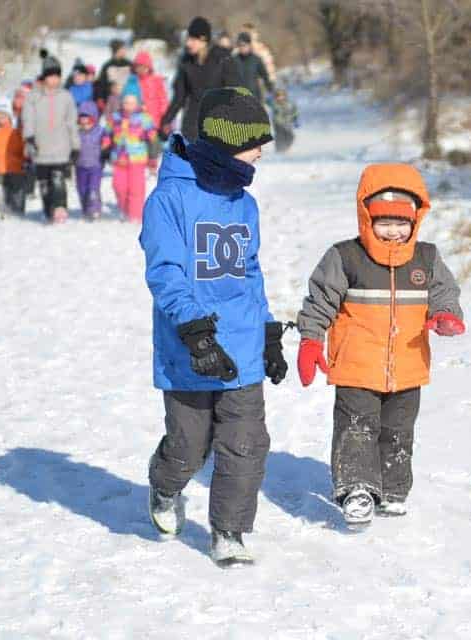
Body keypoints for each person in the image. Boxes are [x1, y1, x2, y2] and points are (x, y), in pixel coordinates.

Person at [140, 87, 285, 567]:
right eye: (253, 142)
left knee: (246, 442)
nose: (261, 151)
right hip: (189, 347)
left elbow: (250, 272)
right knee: (188, 447)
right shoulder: (170, 199)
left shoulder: (245, 204)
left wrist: (265, 330)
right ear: (226, 143)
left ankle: (230, 532)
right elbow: (166, 272)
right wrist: (194, 331)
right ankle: (165, 485)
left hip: (240, 344)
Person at [295, 165, 465, 529]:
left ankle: (393, 488)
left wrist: (447, 316)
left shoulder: (426, 258)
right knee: (356, 427)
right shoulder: (345, 257)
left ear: (416, 220)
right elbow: (319, 301)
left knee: (398, 431)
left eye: (401, 223)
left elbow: (444, 293)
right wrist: (311, 339)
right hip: (356, 365)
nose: (393, 231)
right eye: (383, 222)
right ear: (366, 217)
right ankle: (356, 489)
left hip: (408, 366)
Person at [160, 16, 241, 142]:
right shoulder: (186, 61)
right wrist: (166, 120)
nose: (188, 43)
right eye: (188, 38)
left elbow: (236, 92)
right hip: (192, 125)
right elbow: (179, 96)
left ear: (204, 40)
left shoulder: (223, 58)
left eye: (193, 39)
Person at [21, 57, 80, 224]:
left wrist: (75, 146)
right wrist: (29, 138)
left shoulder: (66, 97)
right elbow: (28, 118)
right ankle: (48, 210)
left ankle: (60, 208)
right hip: (41, 147)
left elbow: (71, 122)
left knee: (58, 178)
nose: (53, 80)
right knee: (44, 182)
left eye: (57, 76)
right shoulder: (34, 97)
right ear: (44, 77)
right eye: (50, 76)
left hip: (61, 147)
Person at [102, 85, 158, 223]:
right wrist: (105, 146)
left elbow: (153, 139)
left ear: (138, 103)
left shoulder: (145, 119)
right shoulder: (114, 118)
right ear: (121, 102)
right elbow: (107, 134)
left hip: (137, 159)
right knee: (118, 186)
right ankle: (124, 208)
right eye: (126, 102)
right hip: (119, 158)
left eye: (132, 102)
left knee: (136, 188)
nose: (129, 106)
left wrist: (152, 157)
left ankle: (135, 214)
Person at [75, 101, 105, 221]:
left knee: (93, 188)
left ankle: (95, 209)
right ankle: (85, 208)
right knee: (82, 189)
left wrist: (106, 145)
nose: (85, 125)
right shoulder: (77, 133)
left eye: (88, 122)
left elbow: (108, 140)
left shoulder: (99, 132)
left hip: (95, 166)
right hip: (80, 165)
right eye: (82, 122)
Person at [94, 39, 133, 112]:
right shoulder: (107, 65)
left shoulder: (129, 65)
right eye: (123, 49)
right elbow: (102, 83)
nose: (125, 51)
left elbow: (134, 81)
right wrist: (100, 98)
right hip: (111, 101)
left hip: (127, 101)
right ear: (116, 50)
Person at [234, 32, 274, 104]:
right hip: (239, 98)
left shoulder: (256, 59)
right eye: (239, 45)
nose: (242, 48)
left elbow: (265, 76)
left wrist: (270, 90)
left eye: (244, 45)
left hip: (255, 97)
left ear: (249, 45)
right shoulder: (234, 60)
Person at [270, 88, 298, 153]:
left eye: (281, 96)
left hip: (287, 123)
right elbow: (269, 103)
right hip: (278, 123)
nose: (279, 98)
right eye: (277, 96)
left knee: (290, 136)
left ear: (285, 96)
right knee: (280, 136)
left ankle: (286, 148)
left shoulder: (289, 104)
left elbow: (294, 111)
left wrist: (295, 119)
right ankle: (279, 149)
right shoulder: (274, 104)